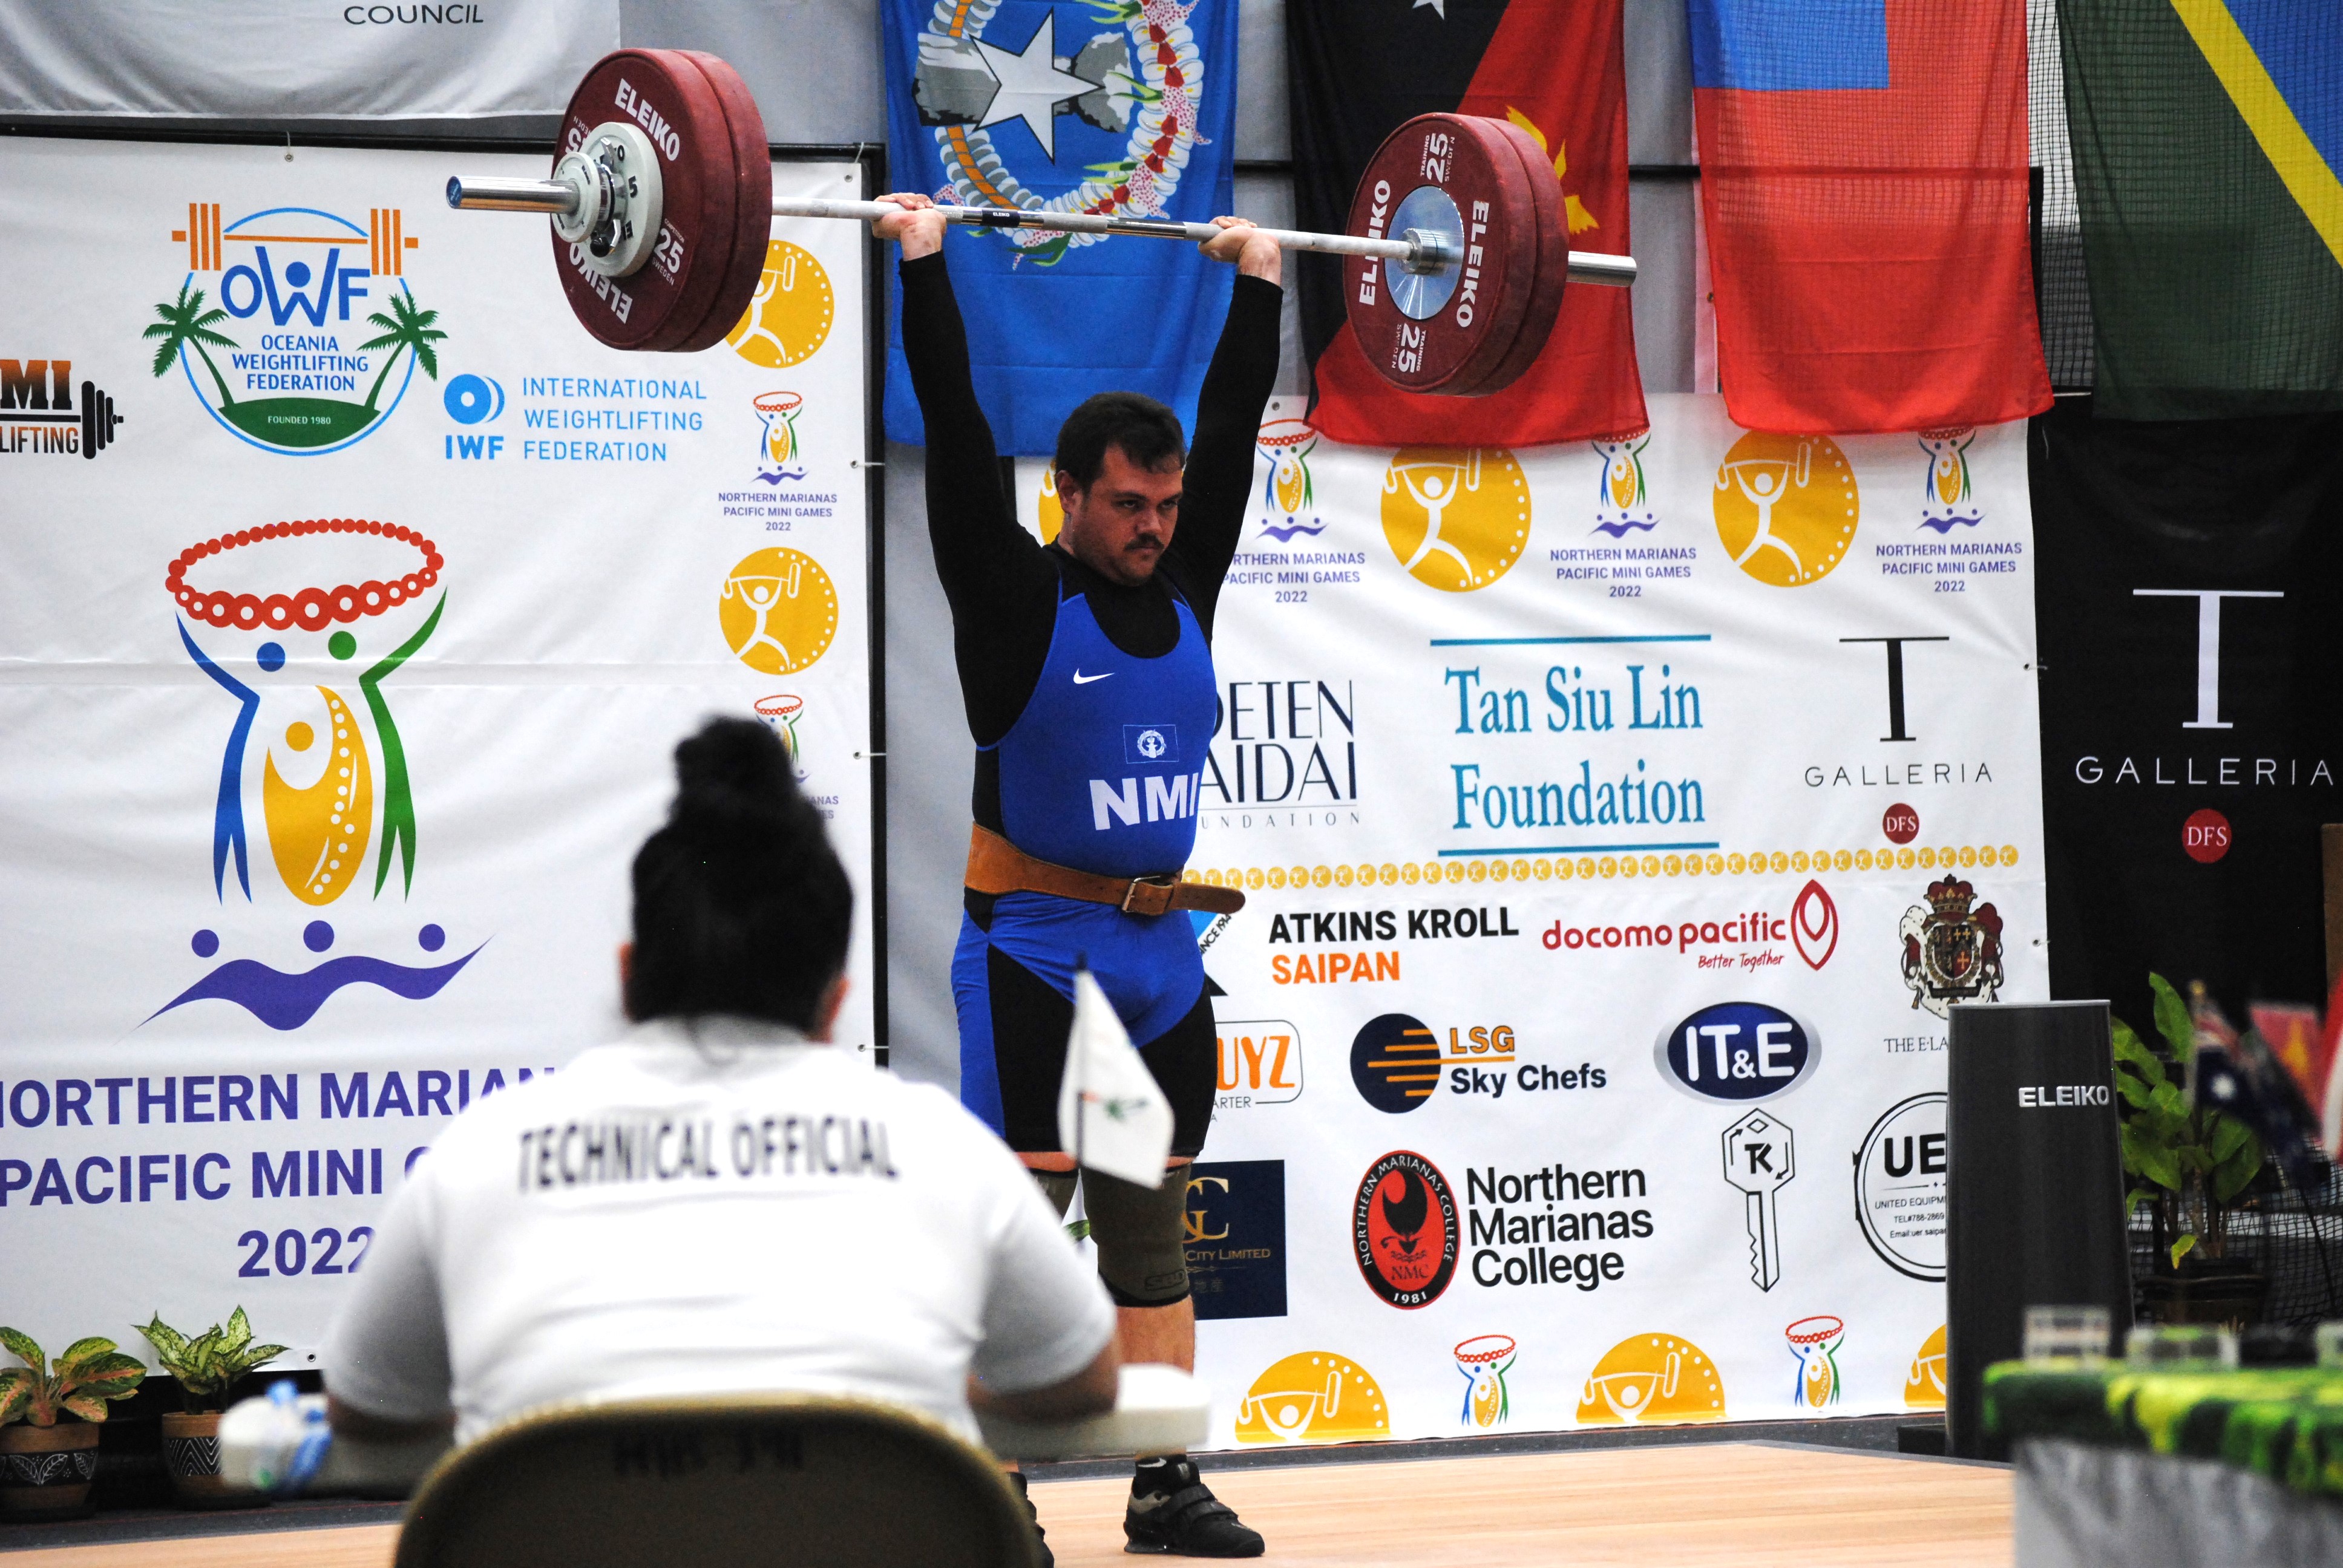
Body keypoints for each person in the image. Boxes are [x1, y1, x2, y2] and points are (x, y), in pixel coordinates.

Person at [320, 718, 1117, 1558]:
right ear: (833, 1002)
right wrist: (921, 1398)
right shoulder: (942, 1150)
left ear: (630, 980)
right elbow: (1081, 1382)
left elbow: (369, 1409)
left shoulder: (479, 1153)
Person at [874, 191, 1280, 1558]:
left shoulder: (1183, 589)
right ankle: (989, 1487)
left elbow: (1228, 434)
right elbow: (958, 431)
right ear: (1070, 497)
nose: (1157, 523)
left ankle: (1163, 1481)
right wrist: (925, 267)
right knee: (1020, 1237)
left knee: (1151, 1240)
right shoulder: (1013, 599)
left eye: (1166, 505)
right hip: (1034, 950)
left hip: (1162, 962)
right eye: (1128, 503)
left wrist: (1264, 283)